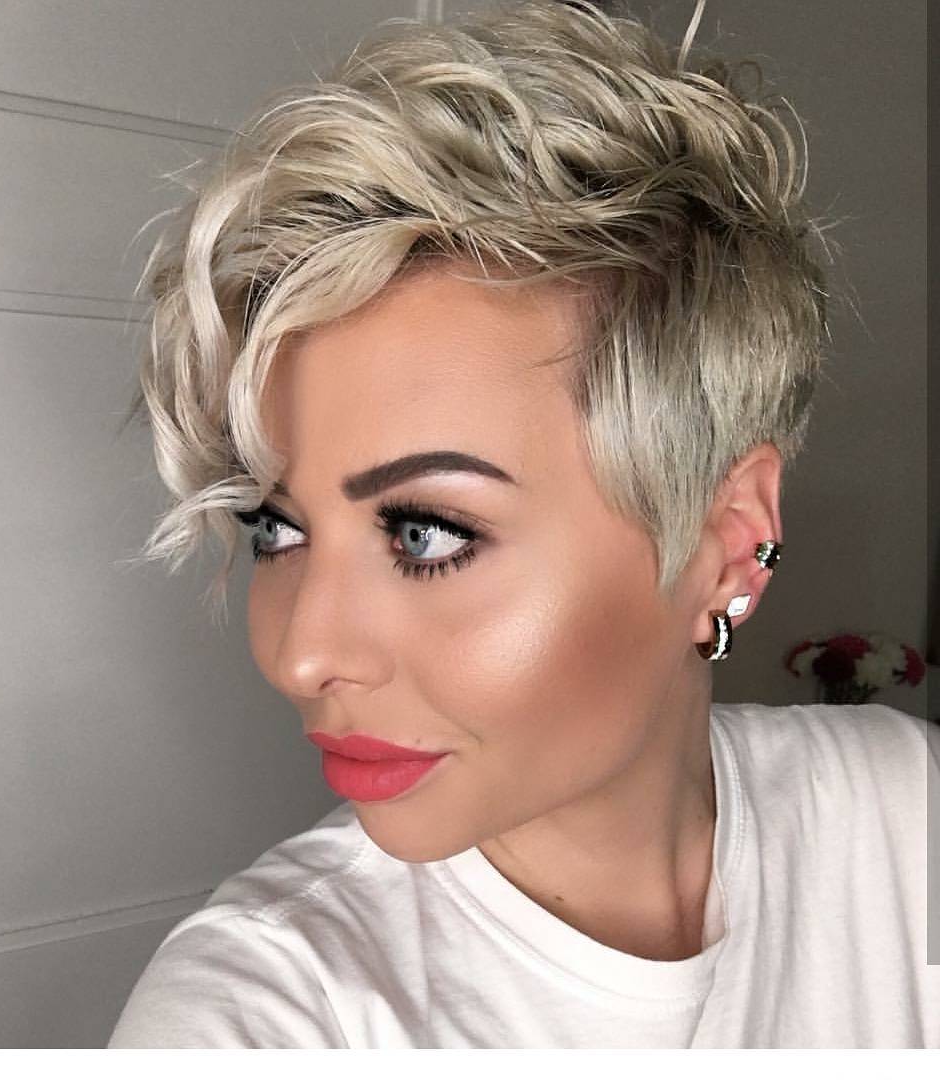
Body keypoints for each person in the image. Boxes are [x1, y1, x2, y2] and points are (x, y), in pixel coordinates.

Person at [107, 0, 938, 1048]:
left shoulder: (901, 814)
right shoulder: (264, 1015)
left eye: (425, 534)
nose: (302, 654)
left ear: (728, 544)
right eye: (276, 527)